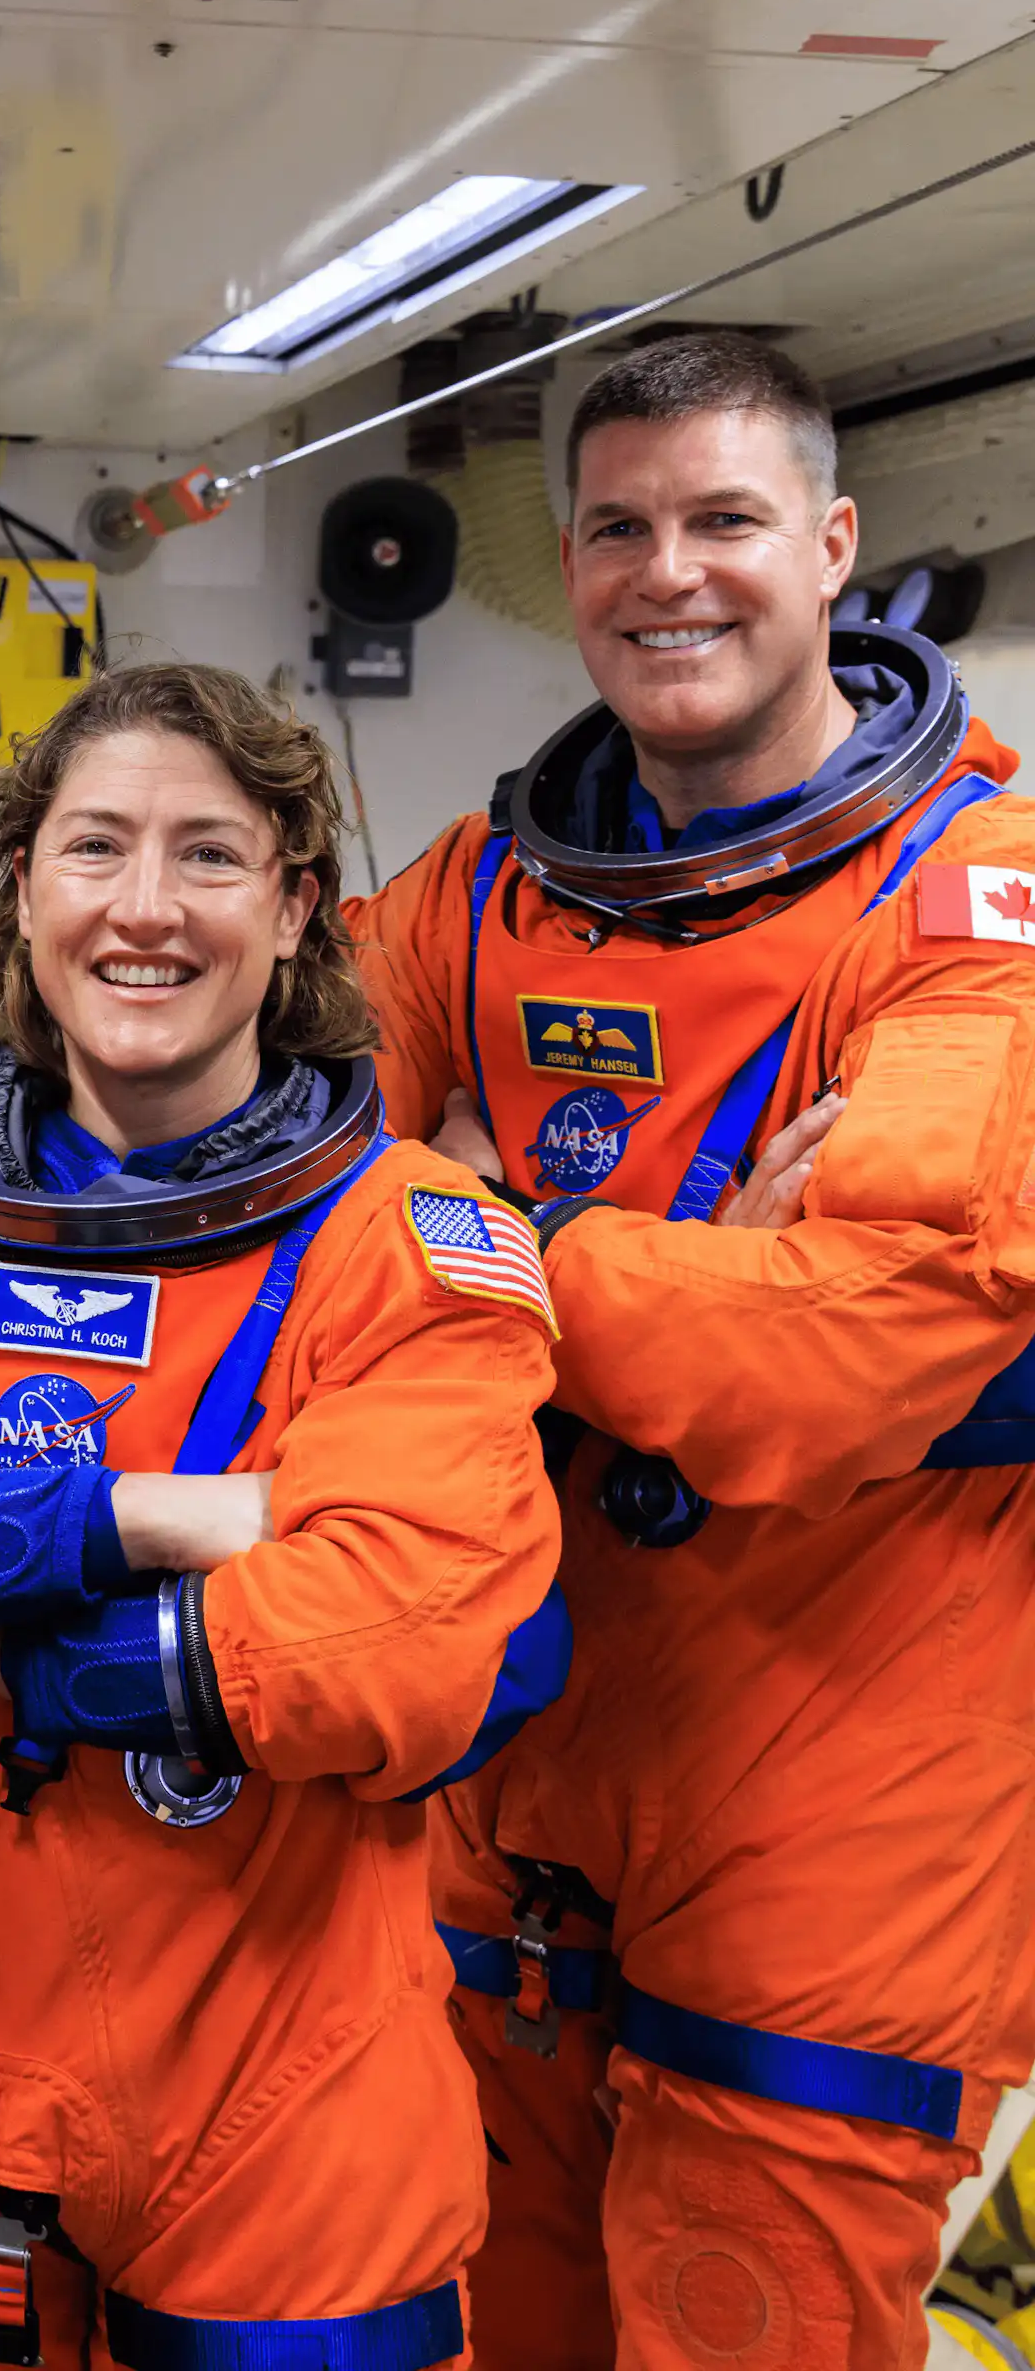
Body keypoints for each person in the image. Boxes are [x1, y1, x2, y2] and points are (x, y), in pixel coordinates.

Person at [0, 662, 565, 2369]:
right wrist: (179, 1522)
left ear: (297, 902)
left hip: (287, 2098)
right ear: (23, 888)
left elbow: (402, 1644)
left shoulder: (417, 1240)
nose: (144, 911)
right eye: (95, 848)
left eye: (209, 856)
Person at [351, 330, 1035, 2371]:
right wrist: (678, 1273)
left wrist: (503, 1240)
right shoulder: (467, 906)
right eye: (620, 528)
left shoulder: (967, 905)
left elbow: (856, 1344)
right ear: (563, 561)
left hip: (834, 1818)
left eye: (724, 520)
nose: (671, 573)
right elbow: (277, 1242)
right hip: (508, 1803)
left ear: (827, 545)